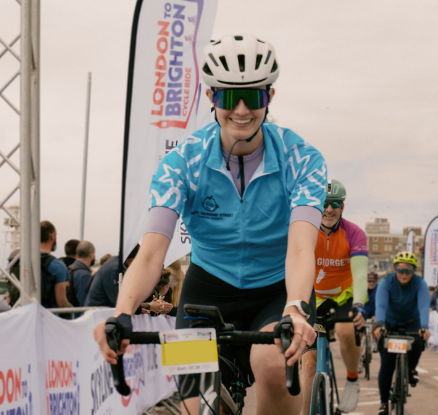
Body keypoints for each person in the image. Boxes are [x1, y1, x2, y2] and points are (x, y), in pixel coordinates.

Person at [92, 34, 325, 415]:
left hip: (277, 290)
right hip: (208, 289)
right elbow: (151, 254)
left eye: (256, 97)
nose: (243, 110)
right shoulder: (181, 162)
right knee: (197, 407)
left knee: (272, 364)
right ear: (212, 97)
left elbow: (301, 247)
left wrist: (296, 308)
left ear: (271, 97)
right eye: (231, 98)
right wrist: (121, 312)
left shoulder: (302, 158)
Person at [300, 178, 369, 414]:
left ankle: (351, 379)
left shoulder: (354, 233)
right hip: (313, 297)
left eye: (335, 204)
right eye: (325, 203)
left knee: (345, 331)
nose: (329, 209)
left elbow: (360, 276)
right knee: (309, 364)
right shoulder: (305, 229)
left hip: (344, 296)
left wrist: (359, 303)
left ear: (343, 207)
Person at [373, 252, 430, 415]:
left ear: (414, 271)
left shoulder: (420, 284)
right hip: (389, 324)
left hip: (412, 323)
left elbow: (424, 306)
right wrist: (380, 324)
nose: (404, 274)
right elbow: (381, 306)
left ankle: (411, 369)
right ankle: (384, 403)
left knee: (418, 342)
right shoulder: (386, 282)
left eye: (408, 271)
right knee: (387, 365)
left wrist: (424, 326)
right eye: (400, 270)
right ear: (395, 269)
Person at [39, 221, 71, 309]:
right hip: (48, 317)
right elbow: (61, 303)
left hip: (24, 317)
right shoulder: (57, 266)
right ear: (52, 236)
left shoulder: (20, 262)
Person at [67, 241, 96, 307]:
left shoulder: (70, 269)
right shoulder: (84, 275)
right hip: (79, 315)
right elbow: (85, 302)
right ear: (91, 254)